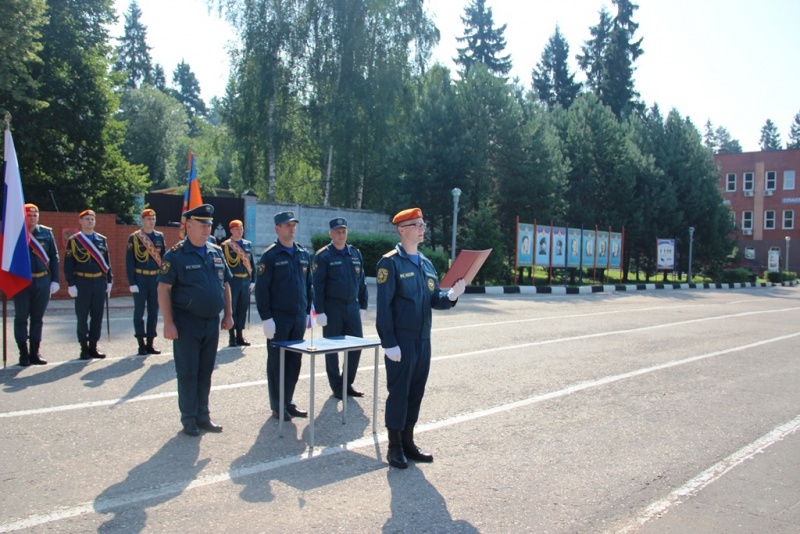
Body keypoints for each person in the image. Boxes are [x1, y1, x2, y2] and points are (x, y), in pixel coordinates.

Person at [376, 207, 465, 469]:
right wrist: (389, 342)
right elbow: (384, 307)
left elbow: (433, 298)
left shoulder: (426, 263)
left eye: (422, 224)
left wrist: (450, 296)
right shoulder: (390, 262)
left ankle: (408, 442)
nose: (421, 228)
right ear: (402, 230)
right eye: (416, 225)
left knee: (416, 392)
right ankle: (394, 446)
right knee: (399, 392)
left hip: (423, 339)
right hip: (401, 340)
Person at [157, 204, 234, 436]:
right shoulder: (176, 255)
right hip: (186, 322)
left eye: (209, 225)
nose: (207, 229)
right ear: (188, 226)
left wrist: (229, 314)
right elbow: (163, 289)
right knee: (188, 372)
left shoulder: (216, 252)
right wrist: (168, 322)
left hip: (212, 322)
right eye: (202, 225)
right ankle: (189, 418)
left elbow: (225, 284)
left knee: (205, 371)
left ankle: (203, 416)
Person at [255, 210, 313, 421]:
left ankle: (288, 400)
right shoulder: (270, 256)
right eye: (287, 225)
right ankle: (277, 405)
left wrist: (308, 313)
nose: (292, 228)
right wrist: (266, 318)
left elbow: (308, 285)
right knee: (277, 364)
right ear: (277, 228)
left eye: (293, 225)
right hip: (278, 319)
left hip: (298, 317)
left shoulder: (303, 254)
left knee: (293, 363)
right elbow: (262, 289)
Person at [313, 217, 368, 400]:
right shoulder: (323, 256)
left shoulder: (354, 253)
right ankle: (336, 386)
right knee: (332, 348)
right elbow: (318, 286)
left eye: (343, 231)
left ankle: (347, 383)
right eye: (337, 231)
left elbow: (362, 282)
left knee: (356, 345)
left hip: (352, 306)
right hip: (332, 307)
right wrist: (319, 311)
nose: (341, 234)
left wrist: (363, 304)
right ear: (330, 233)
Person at [13, 204, 59, 366]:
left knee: (37, 318)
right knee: (21, 317)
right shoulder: (15, 233)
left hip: (42, 280)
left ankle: (35, 352)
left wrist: (55, 280)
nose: (32, 218)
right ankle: (23, 353)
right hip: (23, 281)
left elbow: (54, 257)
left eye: (35, 215)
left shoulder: (46, 233)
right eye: (29, 215)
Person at [64, 209, 112, 360]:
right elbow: (68, 264)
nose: (90, 221)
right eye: (87, 219)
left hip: (99, 281)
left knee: (97, 315)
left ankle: (93, 346)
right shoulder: (74, 240)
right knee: (82, 316)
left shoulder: (101, 240)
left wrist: (109, 280)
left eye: (92, 219)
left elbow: (107, 263)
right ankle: (83, 347)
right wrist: (71, 284)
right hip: (82, 281)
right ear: (81, 221)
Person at [126, 208, 166, 356]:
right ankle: (140, 343)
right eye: (148, 219)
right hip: (140, 278)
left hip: (155, 278)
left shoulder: (159, 237)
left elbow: (163, 260)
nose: (152, 221)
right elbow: (130, 261)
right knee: (139, 312)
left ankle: (150, 342)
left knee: (153, 312)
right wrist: (132, 282)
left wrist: (164, 279)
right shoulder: (135, 237)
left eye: (153, 218)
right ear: (142, 220)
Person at [222, 219, 255, 347]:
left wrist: (253, 280)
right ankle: (232, 337)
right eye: (237, 229)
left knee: (242, 309)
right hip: (233, 281)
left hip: (245, 280)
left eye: (241, 229)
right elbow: (224, 266)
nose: (239, 231)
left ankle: (240, 336)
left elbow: (251, 263)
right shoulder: (226, 245)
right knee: (232, 309)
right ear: (231, 230)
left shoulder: (247, 244)